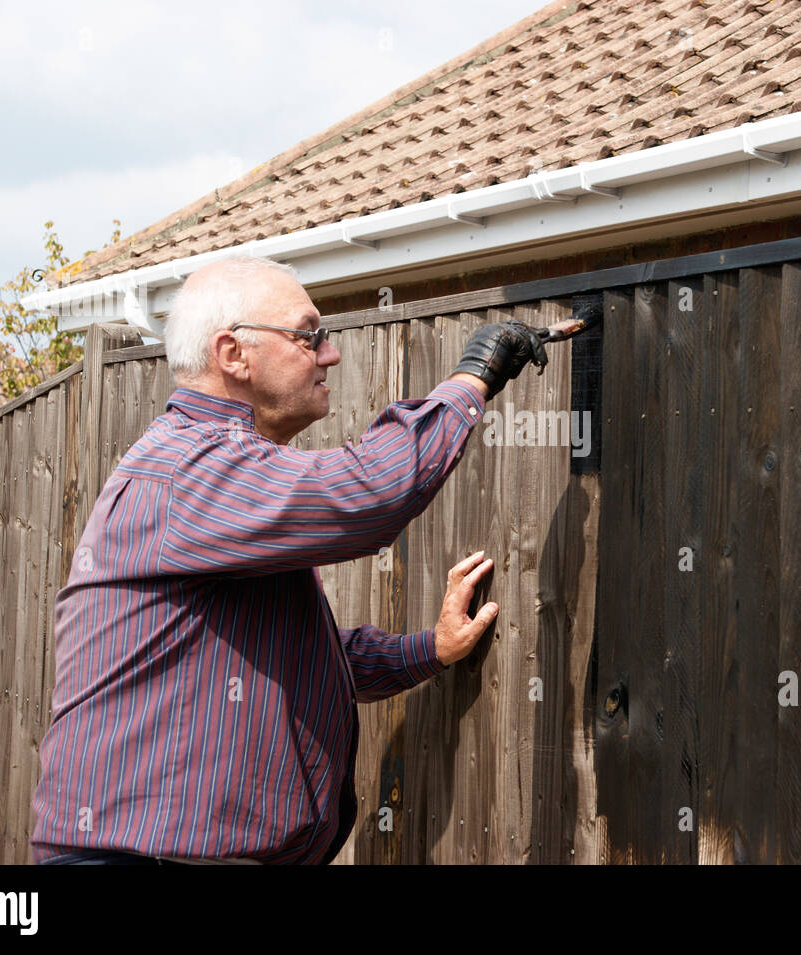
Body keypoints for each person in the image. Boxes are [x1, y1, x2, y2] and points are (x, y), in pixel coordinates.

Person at [31, 255, 548, 864]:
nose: (329, 355)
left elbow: (305, 659)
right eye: (309, 336)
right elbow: (367, 493)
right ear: (233, 354)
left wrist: (429, 650)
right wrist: (474, 377)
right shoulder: (190, 469)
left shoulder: (213, 475)